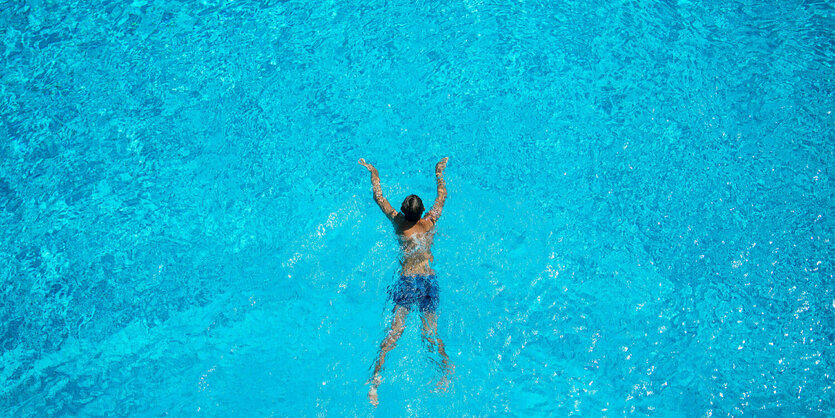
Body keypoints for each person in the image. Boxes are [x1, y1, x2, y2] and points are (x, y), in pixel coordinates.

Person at [358, 157, 453, 407]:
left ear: (402, 210)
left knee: (395, 333)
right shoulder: (429, 221)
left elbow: (379, 198)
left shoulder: (398, 223)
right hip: (428, 282)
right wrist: (438, 173)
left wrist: (373, 171)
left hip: (408, 281)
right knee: (429, 333)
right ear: (421, 212)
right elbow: (442, 197)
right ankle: (446, 370)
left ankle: (375, 382)